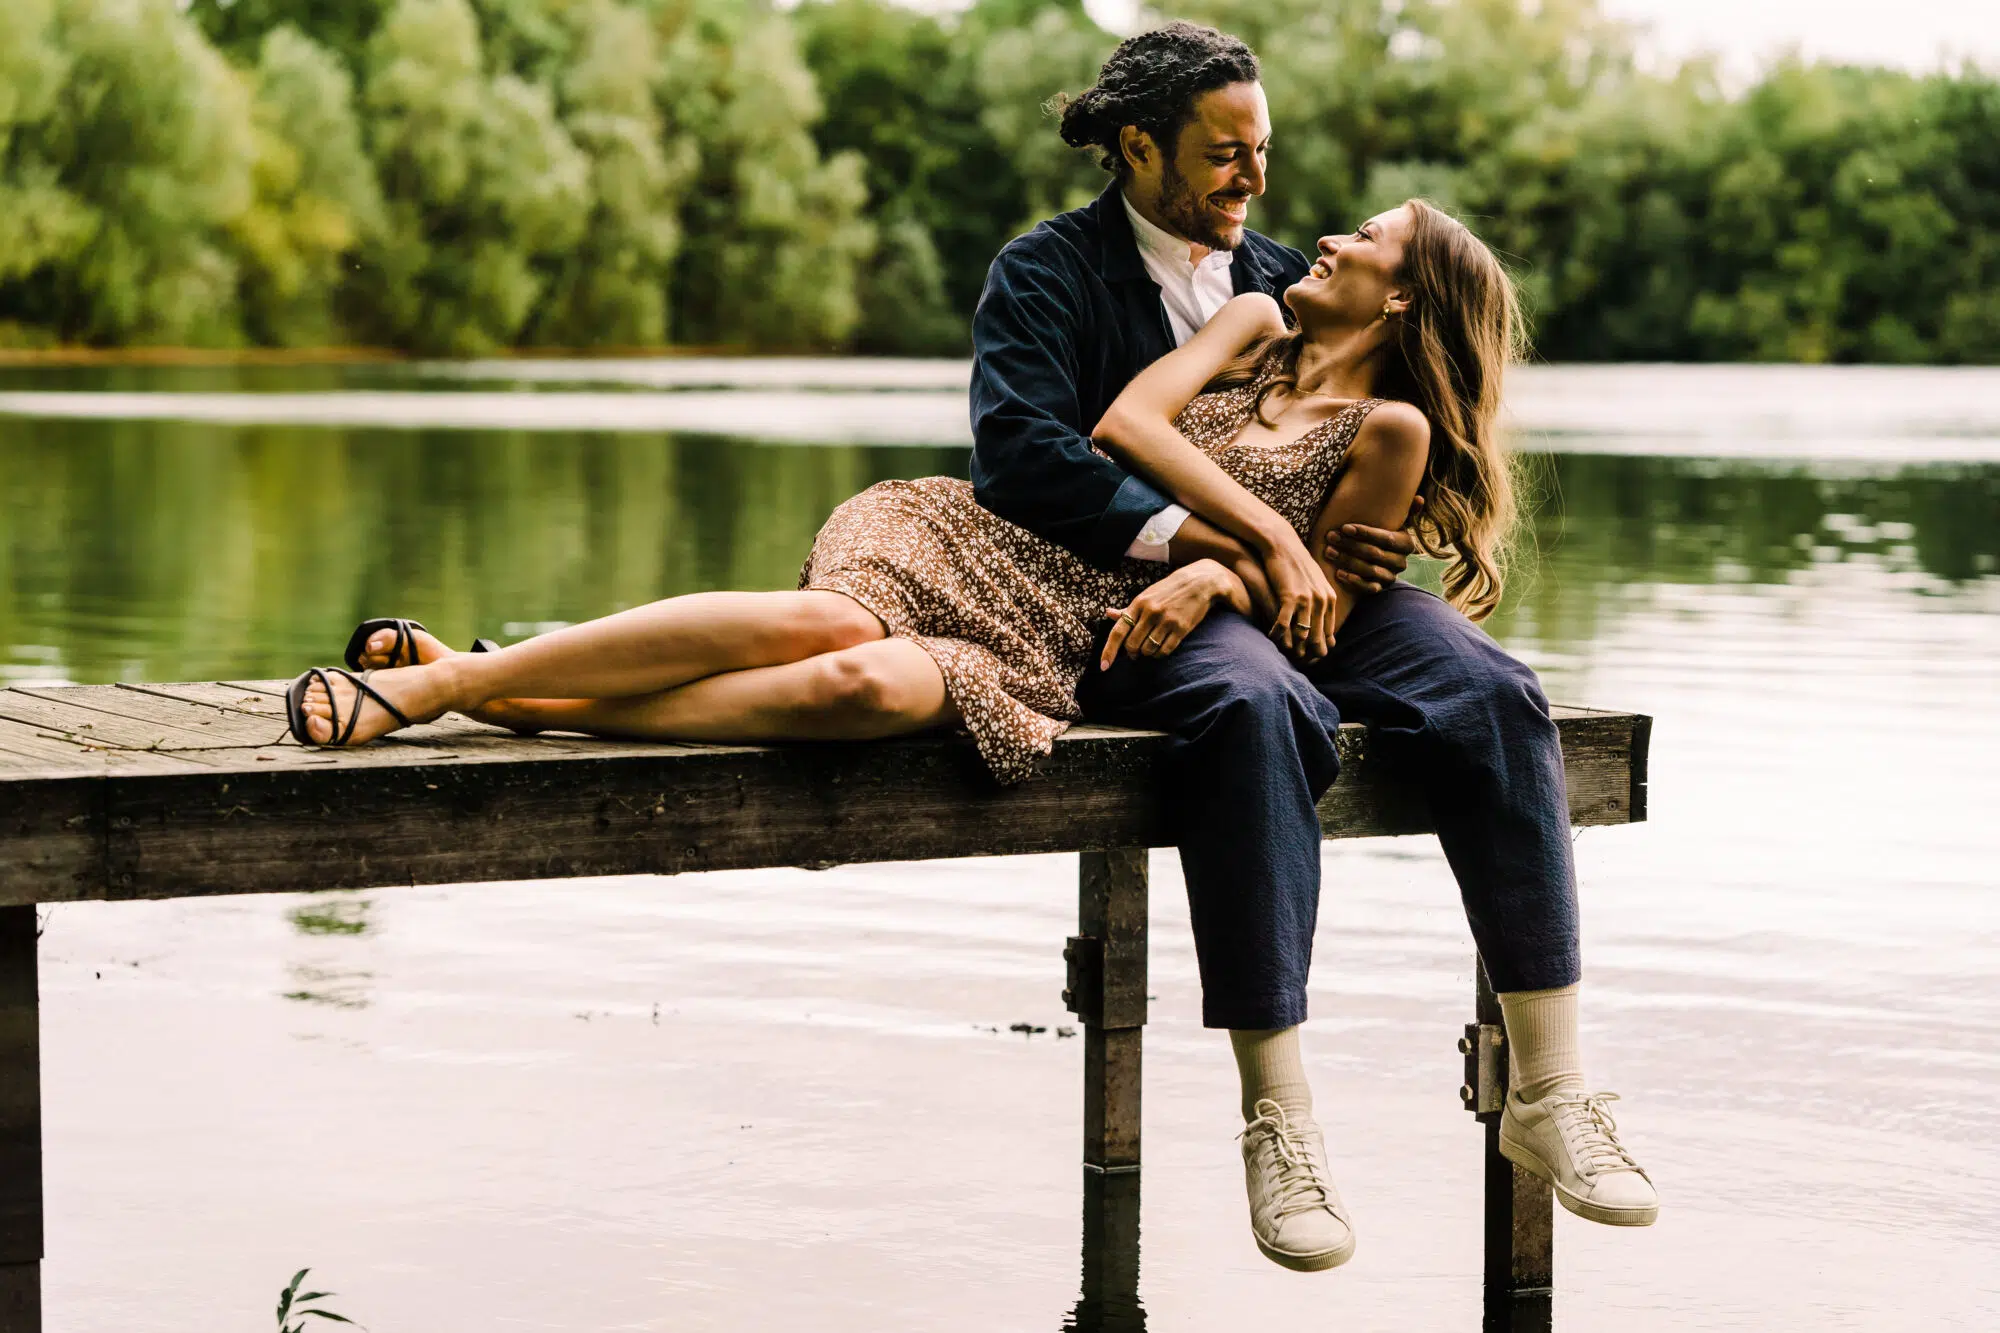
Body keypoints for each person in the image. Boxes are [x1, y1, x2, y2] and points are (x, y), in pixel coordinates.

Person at [288, 21, 1656, 1274]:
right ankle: (1278, 1119)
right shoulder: (1047, 273)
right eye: (1223, 153)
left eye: (1263, 151)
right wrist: (1219, 552)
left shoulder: (1288, 281)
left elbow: (1397, 414)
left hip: (1273, 590)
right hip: (1071, 580)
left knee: (1498, 694)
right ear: (1139, 147)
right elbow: (1034, 454)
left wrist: (1363, 539)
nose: (1256, 181)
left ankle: (1554, 1088)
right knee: (1219, 704)